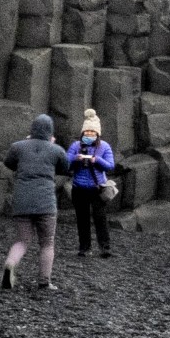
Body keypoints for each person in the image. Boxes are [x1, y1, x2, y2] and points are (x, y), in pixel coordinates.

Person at [2, 114, 68, 291]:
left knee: (22, 240)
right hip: (46, 202)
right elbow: (65, 168)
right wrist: (51, 146)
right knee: (47, 242)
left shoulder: (18, 147)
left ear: (32, 129)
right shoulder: (56, 150)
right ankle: (44, 281)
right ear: (50, 131)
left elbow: (9, 163)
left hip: (22, 200)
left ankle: (10, 263)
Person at [66, 109, 116, 258]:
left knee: (100, 218)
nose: (89, 135)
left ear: (97, 134)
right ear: (82, 133)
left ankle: (105, 247)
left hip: (97, 188)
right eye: (86, 132)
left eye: (92, 132)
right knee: (82, 219)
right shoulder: (76, 146)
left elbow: (110, 165)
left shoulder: (104, 146)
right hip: (79, 188)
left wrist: (97, 160)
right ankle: (84, 248)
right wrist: (76, 158)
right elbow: (66, 162)